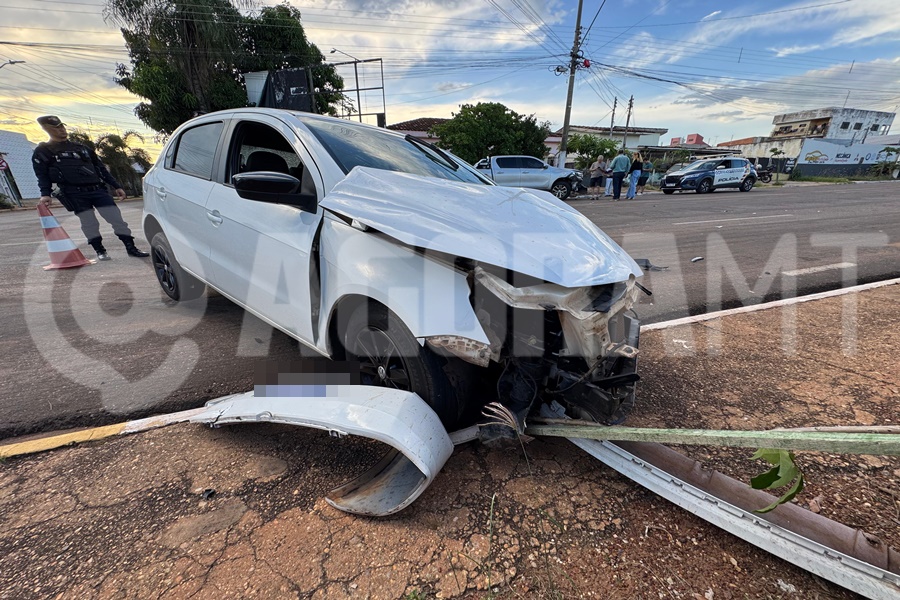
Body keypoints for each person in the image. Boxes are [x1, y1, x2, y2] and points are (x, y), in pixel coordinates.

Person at [32, 115, 148, 261]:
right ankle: (100, 250)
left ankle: (131, 248)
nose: (61, 130)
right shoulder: (44, 151)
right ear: (46, 129)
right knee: (89, 223)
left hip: (97, 190)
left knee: (116, 219)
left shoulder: (82, 148)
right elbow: (42, 175)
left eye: (62, 126)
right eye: (56, 128)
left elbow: (100, 169)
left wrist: (116, 186)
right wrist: (45, 194)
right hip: (74, 193)